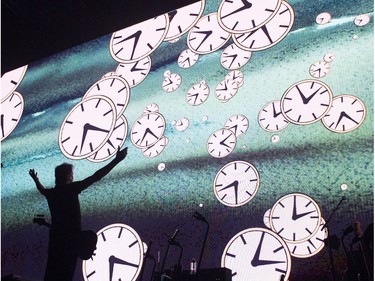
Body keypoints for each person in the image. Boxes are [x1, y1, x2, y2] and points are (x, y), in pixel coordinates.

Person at [29, 146, 128, 281]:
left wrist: (35, 179)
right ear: (69, 177)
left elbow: (42, 190)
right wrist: (117, 160)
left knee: (52, 273)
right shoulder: (71, 189)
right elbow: (96, 176)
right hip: (71, 247)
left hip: (55, 244)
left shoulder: (51, 194)